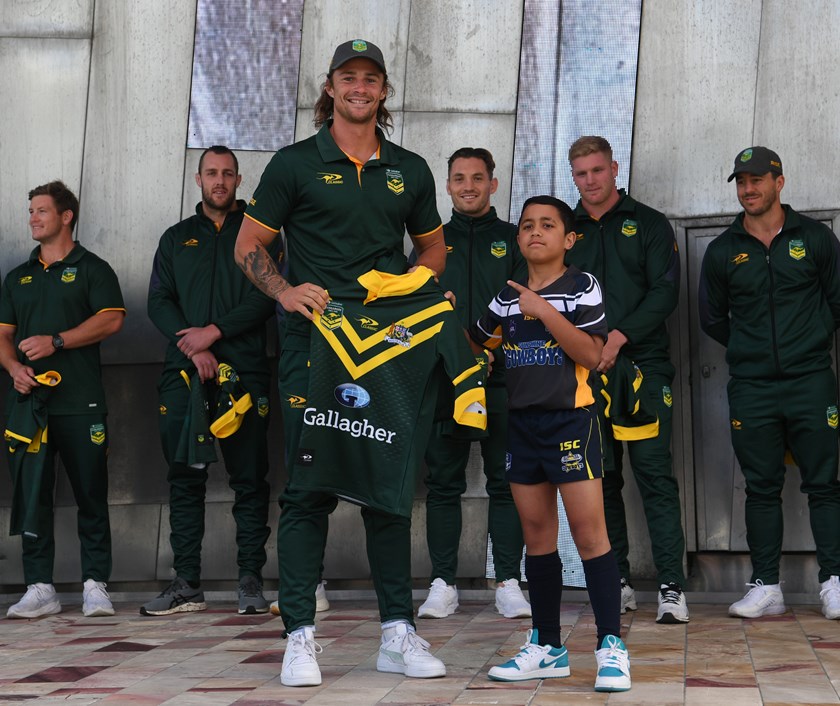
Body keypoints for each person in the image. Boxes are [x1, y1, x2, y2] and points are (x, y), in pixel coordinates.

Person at [234, 39, 448, 687]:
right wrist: (285, 290)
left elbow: (434, 251)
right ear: (329, 87)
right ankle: (299, 635)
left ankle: (396, 632)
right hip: (315, 344)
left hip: (385, 347)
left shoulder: (409, 169)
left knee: (388, 491)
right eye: (348, 77)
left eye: (371, 79)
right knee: (309, 489)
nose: (360, 87)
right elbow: (249, 245)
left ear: (383, 91)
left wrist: (407, 285)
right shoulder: (295, 164)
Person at [475, 195, 630, 691]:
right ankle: (547, 646)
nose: (534, 232)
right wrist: (482, 355)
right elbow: (476, 340)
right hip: (522, 428)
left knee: (588, 535)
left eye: (547, 225)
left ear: (569, 239)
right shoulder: (505, 295)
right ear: (518, 238)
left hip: (571, 424)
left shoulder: (582, 286)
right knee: (537, 540)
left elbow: (591, 351)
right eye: (526, 225)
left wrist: (541, 311)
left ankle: (611, 647)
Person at [699, 146, 840, 619]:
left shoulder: (815, 238)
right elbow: (712, 318)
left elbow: (837, 302)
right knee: (760, 487)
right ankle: (766, 586)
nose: (748, 189)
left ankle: (834, 581)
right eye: (741, 181)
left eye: (757, 180)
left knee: (824, 484)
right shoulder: (723, 251)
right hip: (753, 386)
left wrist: (811, 339)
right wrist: (750, 348)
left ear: (779, 182)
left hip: (810, 381)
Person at [142, 146, 275, 616]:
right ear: (197, 179)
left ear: (239, 179)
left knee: (249, 481)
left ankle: (250, 582)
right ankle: (186, 584)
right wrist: (194, 347)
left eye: (227, 173)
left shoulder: (259, 235)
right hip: (184, 375)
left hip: (246, 373)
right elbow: (158, 300)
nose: (219, 181)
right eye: (210, 173)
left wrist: (214, 334)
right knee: (184, 477)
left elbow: (267, 298)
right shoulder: (176, 238)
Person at [565, 136, 688, 623]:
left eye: (597, 170)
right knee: (601, 478)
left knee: (655, 477)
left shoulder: (650, 224)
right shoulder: (565, 228)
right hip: (581, 373)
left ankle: (672, 587)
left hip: (643, 368)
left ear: (615, 168)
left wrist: (618, 337)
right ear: (572, 176)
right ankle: (615, 581)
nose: (590, 181)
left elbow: (666, 291)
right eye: (580, 173)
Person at [0, 181, 125, 618]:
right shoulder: (17, 276)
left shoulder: (93, 268)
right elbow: (3, 336)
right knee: (33, 494)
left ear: (66, 215)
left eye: (41, 211)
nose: (33, 218)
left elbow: (111, 320)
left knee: (91, 493)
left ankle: (96, 584)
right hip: (31, 408)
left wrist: (57, 341)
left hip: (81, 402)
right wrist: (13, 369)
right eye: (30, 211)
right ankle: (40, 587)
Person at [417, 147, 530, 620]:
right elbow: (415, 306)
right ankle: (443, 582)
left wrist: (487, 351)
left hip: (505, 380)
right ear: (447, 186)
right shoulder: (430, 243)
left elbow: (526, 304)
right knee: (443, 484)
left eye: (477, 178)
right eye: (459, 178)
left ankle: (508, 580)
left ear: (493, 184)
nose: (468, 186)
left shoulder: (513, 240)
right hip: (445, 382)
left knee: (507, 483)